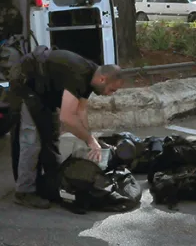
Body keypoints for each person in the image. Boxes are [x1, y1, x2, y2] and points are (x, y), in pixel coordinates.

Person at [9, 47, 124, 209]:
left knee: (51, 134)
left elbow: (80, 111)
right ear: (103, 80)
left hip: (44, 89)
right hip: (27, 82)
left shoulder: (92, 75)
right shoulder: (78, 75)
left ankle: (52, 183)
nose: (110, 94)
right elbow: (67, 118)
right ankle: (24, 192)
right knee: (32, 140)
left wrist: (90, 141)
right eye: (111, 90)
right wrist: (90, 140)